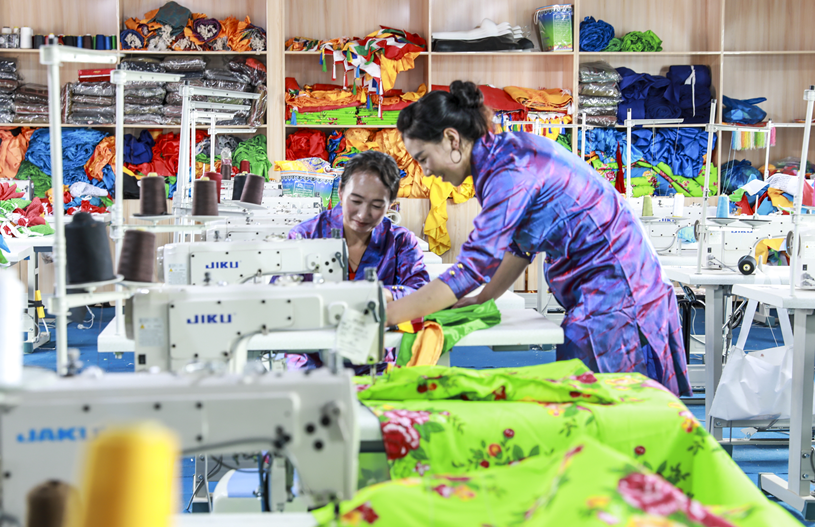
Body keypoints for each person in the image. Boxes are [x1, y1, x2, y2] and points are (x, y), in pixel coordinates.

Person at [388, 81, 690, 397]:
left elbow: (471, 269)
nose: (425, 172)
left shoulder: (507, 171)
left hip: (619, 288)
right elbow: (521, 246)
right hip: (618, 280)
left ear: (452, 139)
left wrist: (391, 315)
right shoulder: (505, 152)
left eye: (423, 158)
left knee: (610, 402)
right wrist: (484, 298)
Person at [286, 150, 430, 370]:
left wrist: (385, 294)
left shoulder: (400, 241)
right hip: (312, 361)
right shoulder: (304, 236)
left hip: (376, 362)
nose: (363, 214)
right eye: (356, 201)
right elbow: (283, 299)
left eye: (377, 205)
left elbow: (423, 293)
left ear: (391, 204)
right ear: (341, 191)